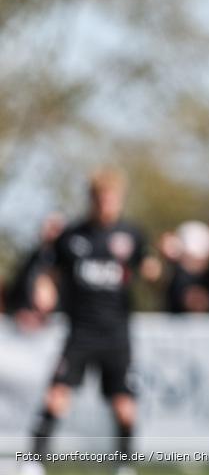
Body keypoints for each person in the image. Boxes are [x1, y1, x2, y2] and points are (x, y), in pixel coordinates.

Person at [25, 168, 159, 475]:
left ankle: (125, 465)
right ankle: (32, 462)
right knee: (56, 397)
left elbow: (149, 270)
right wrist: (44, 291)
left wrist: (157, 269)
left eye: (112, 198)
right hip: (80, 332)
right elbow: (49, 272)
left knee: (124, 407)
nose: (106, 204)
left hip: (116, 334)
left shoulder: (131, 235)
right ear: (92, 199)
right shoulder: (72, 236)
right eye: (101, 198)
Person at [4, 213, 65, 331]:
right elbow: (18, 287)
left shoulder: (70, 261)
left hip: (59, 324)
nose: (52, 234)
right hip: (29, 326)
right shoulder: (33, 259)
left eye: (56, 229)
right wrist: (22, 309)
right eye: (49, 229)